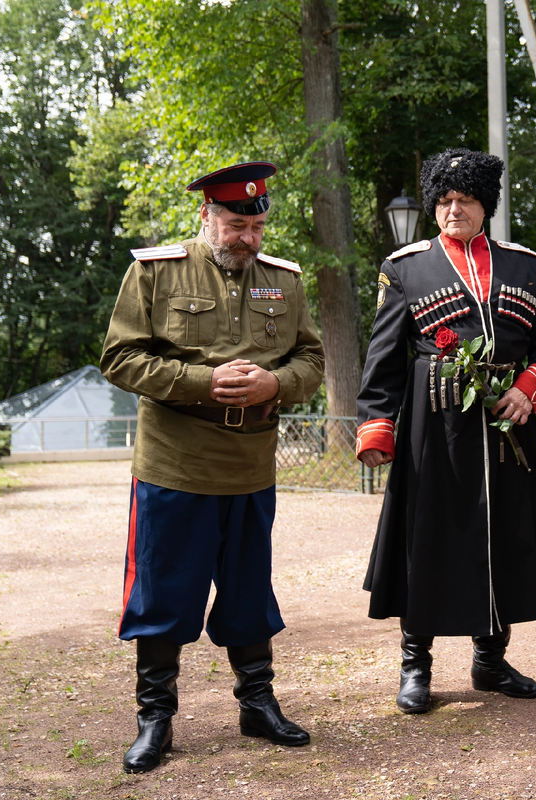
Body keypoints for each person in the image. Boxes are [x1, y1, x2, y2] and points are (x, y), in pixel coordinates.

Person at [100, 162, 325, 773]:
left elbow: (312, 359)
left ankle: (257, 703)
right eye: (233, 224)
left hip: (252, 465)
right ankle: (155, 719)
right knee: (163, 593)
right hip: (175, 464)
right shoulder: (156, 272)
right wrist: (204, 382)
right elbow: (120, 358)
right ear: (206, 216)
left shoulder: (284, 282)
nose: (245, 238)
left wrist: (275, 382)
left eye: (254, 226)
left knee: (250, 590)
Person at [356, 148, 536, 715]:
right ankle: (415, 665)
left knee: (506, 537)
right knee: (427, 540)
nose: (454, 210)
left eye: (465, 200)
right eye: (445, 200)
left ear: (485, 205)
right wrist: (377, 423)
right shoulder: (406, 267)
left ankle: (490, 660)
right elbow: (384, 356)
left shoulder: (525, 264)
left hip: (509, 423)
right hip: (435, 426)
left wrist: (531, 387)